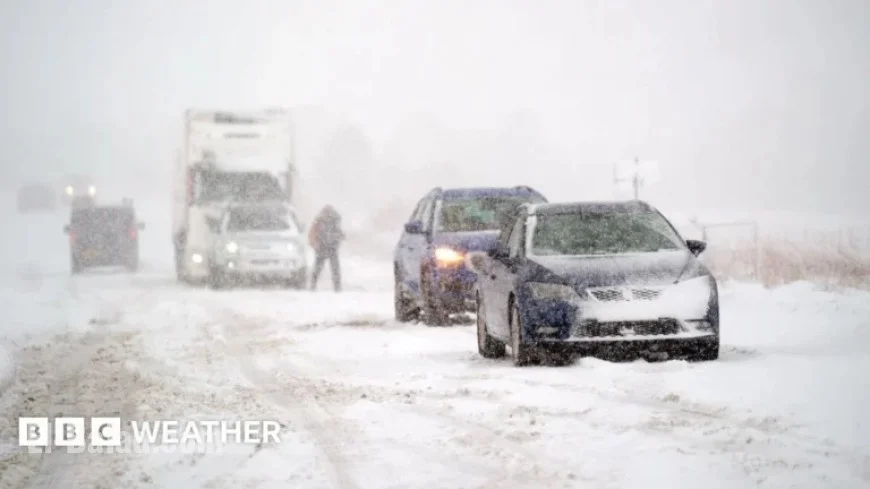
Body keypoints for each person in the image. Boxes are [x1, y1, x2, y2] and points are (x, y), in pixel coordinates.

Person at [309, 205, 345, 291]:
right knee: (332, 268)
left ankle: (314, 285)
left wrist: (315, 243)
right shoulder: (332, 221)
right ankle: (336, 286)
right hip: (328, 247)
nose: (328, 215)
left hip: (325, 247)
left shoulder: (320, 221)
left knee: (320, 268)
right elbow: (339, 232)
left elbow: (313, 233)